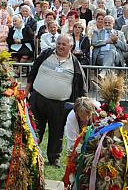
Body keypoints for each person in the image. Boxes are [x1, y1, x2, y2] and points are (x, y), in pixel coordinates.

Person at [26, 34, 86, 167]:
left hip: (60, 105)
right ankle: (29, 153)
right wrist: (26, 91)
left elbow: (82, 85)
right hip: (38, 99)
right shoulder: (46, 54)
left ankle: (54, 158)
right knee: (34, 128)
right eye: (59, 43)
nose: (60, 46)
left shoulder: (75, 63)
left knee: (56, 132)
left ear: (71, 46)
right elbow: (33, 71)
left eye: (64, 44)